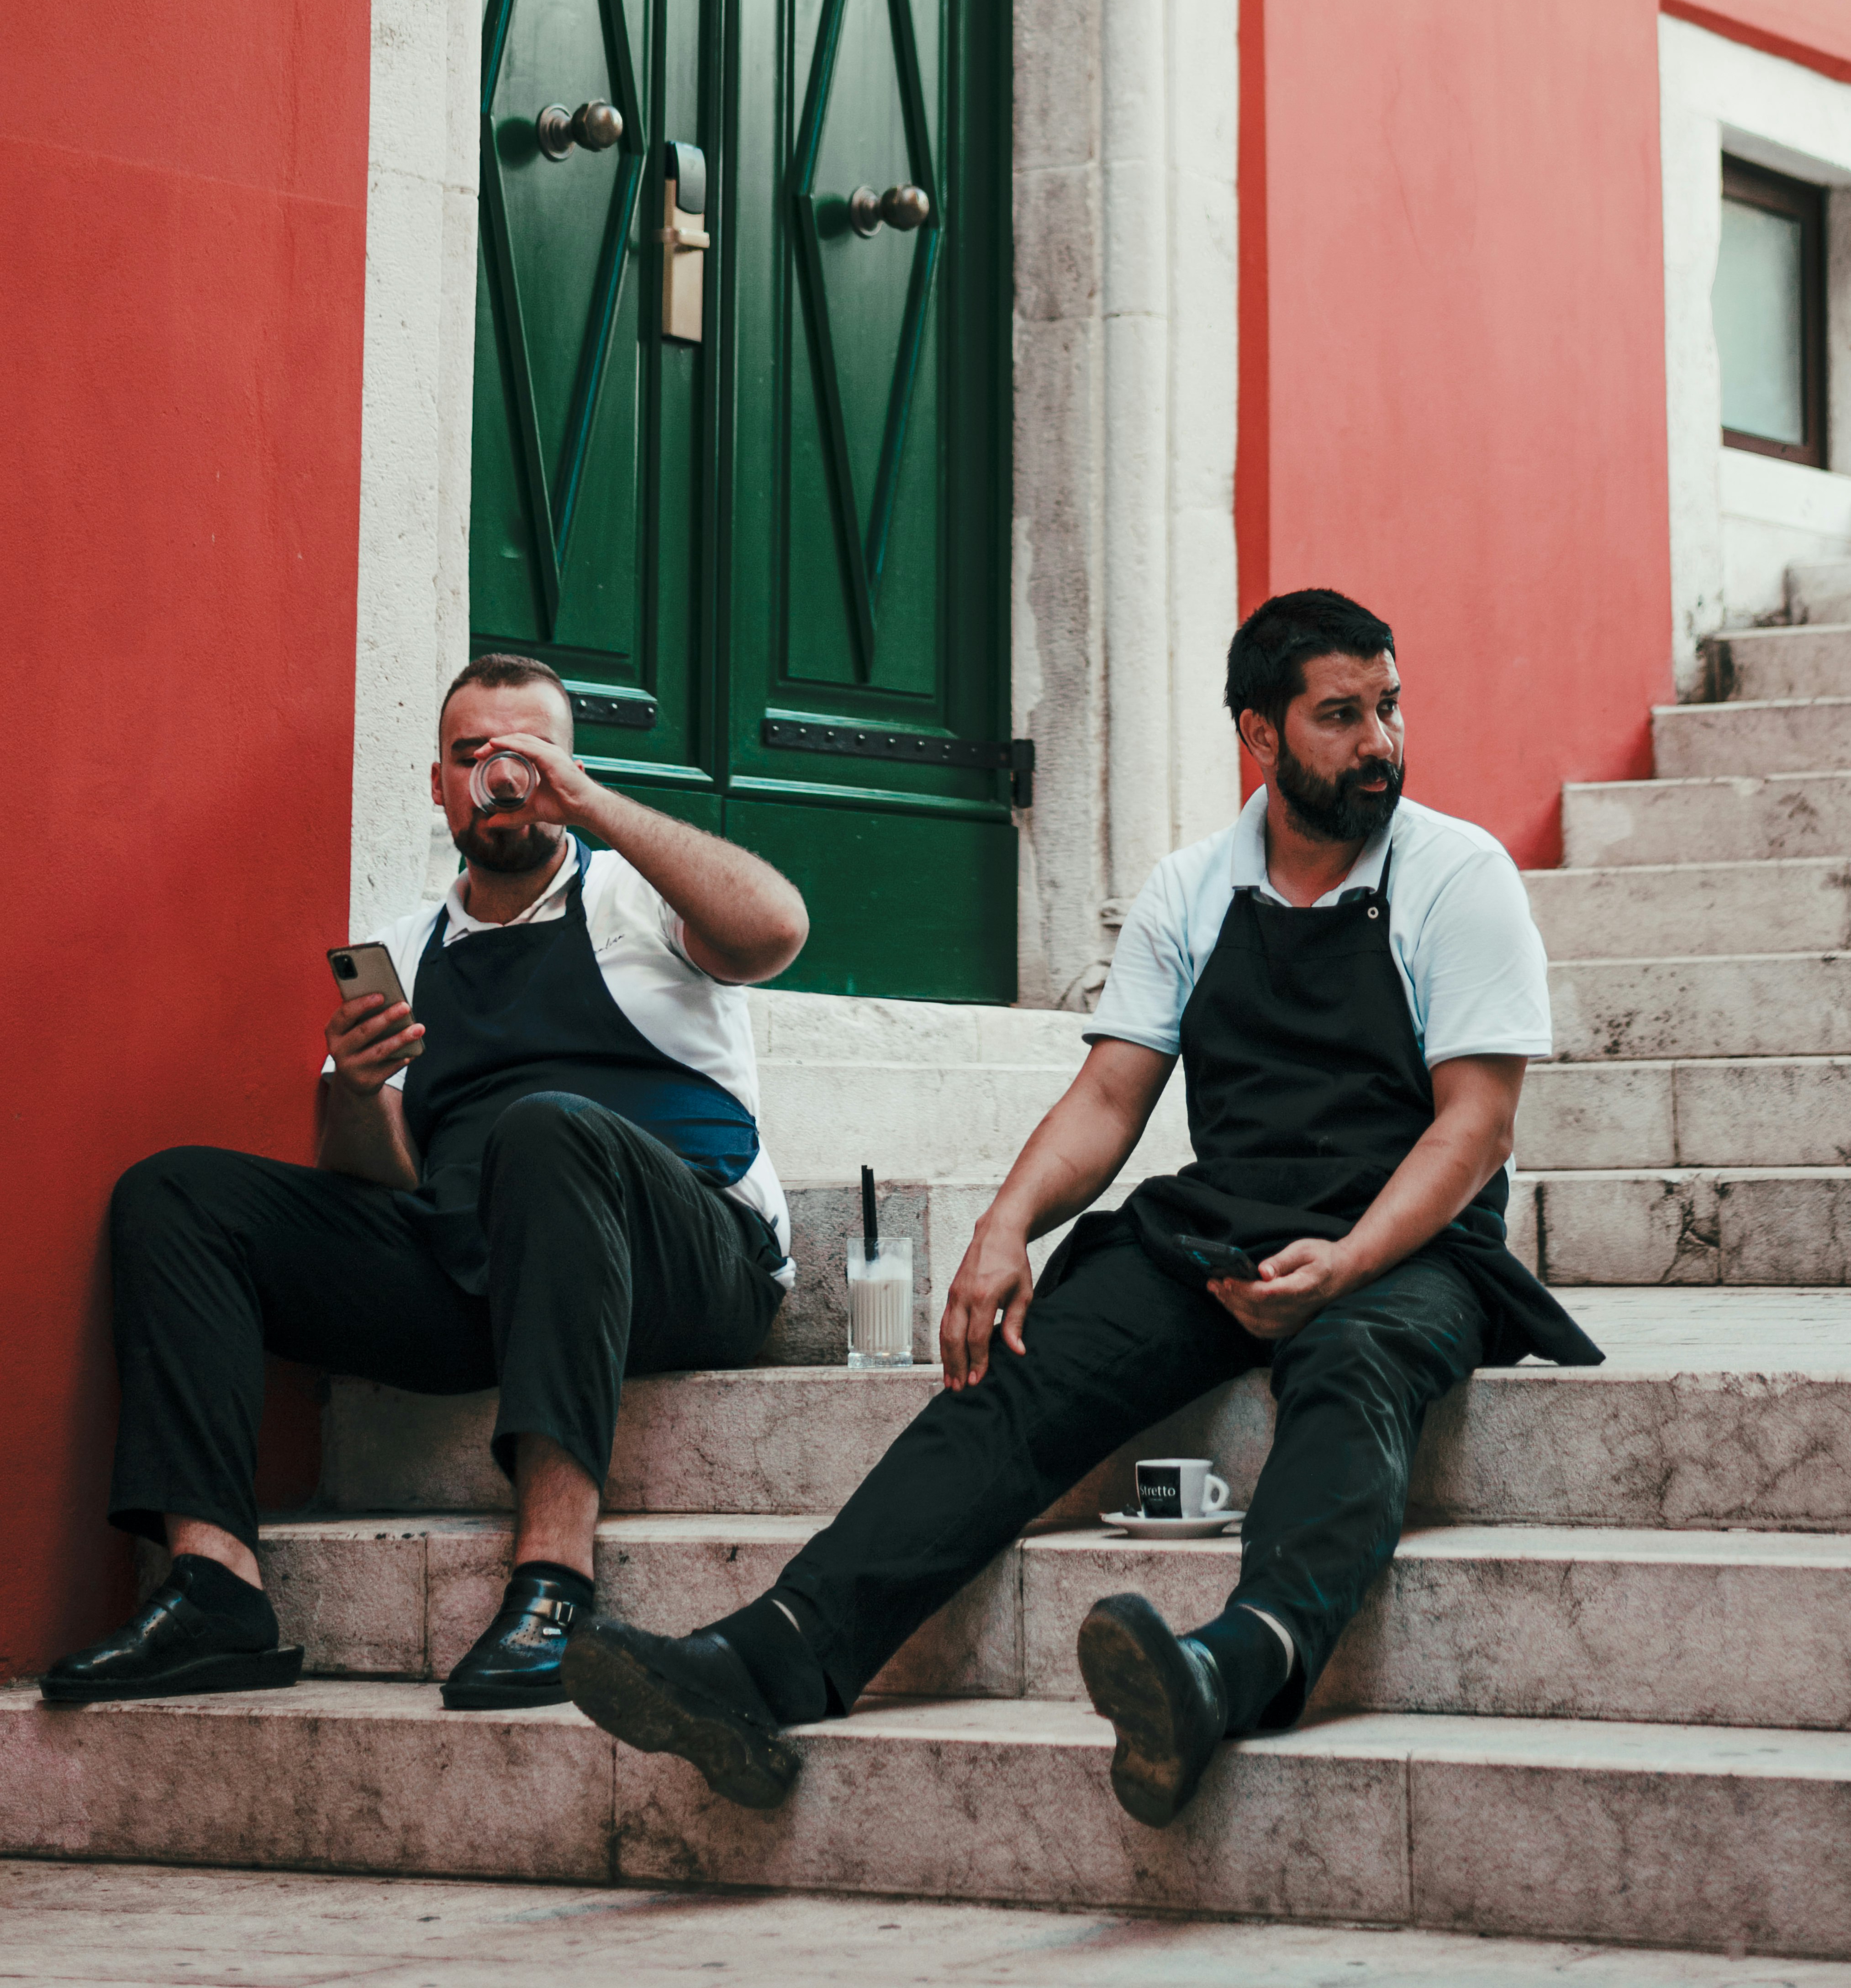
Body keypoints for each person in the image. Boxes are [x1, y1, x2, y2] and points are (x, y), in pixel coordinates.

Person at [558, 588, 1601, 1825]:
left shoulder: (1454, 872)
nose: (1378, 740)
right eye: (1339, 714)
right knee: (1020, 1371)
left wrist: (1349, 1260)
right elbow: (1110, 1096)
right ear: (1258, 737)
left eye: (1386, 706)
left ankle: (1230, 1666)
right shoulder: (1190, 887)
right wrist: (1003, 1232)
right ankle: (766, 1657)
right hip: (1221, 1219)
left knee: (1354, 1365)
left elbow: (1473, 1122)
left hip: (1408, 1233)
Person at [43, 652, 809, 1713]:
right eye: (471, 757)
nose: (500, 778)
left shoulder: (634, 896)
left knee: (545, 1132)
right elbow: (377, 1180)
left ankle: (554, 1580)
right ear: (439, 785)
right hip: (483, 1271)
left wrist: (595, 805)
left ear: (567, 768)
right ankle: (215, 1582)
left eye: (527, 754)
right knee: (173, 1192)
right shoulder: (407, 946)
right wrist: (358, 1090)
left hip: (687, 1261)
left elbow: (775, 930)